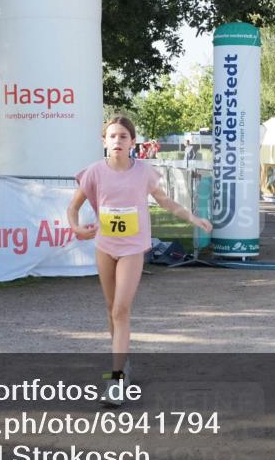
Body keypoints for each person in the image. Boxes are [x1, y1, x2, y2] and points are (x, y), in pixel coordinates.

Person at [67, 116, 212, 407]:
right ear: (104, 141)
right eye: (112, 136)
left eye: (123, 136)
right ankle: (122, 361)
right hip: (105, 247)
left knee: (121, 309)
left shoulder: (143, 172)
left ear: (133, 142)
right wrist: (76, 228)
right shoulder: (94, 172)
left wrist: (193, 217)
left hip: (133, 248)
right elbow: (73, 207)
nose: (117, 141)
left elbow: (165, 201)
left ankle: (117, 379)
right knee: (111, 310)